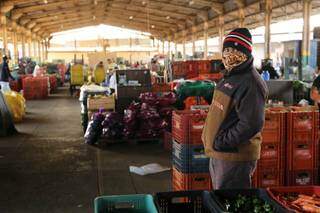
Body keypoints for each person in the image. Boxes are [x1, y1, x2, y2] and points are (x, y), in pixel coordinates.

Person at [201, 28, 268, 189]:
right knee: (221, 200)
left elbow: (251, 124)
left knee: (231, 203)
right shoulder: (229, 75)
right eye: (226, 50)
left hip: (234, 156)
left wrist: (222, 142)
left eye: (235, 50)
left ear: (245, 53)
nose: (229, 55)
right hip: (220, 153)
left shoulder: (251, 83)